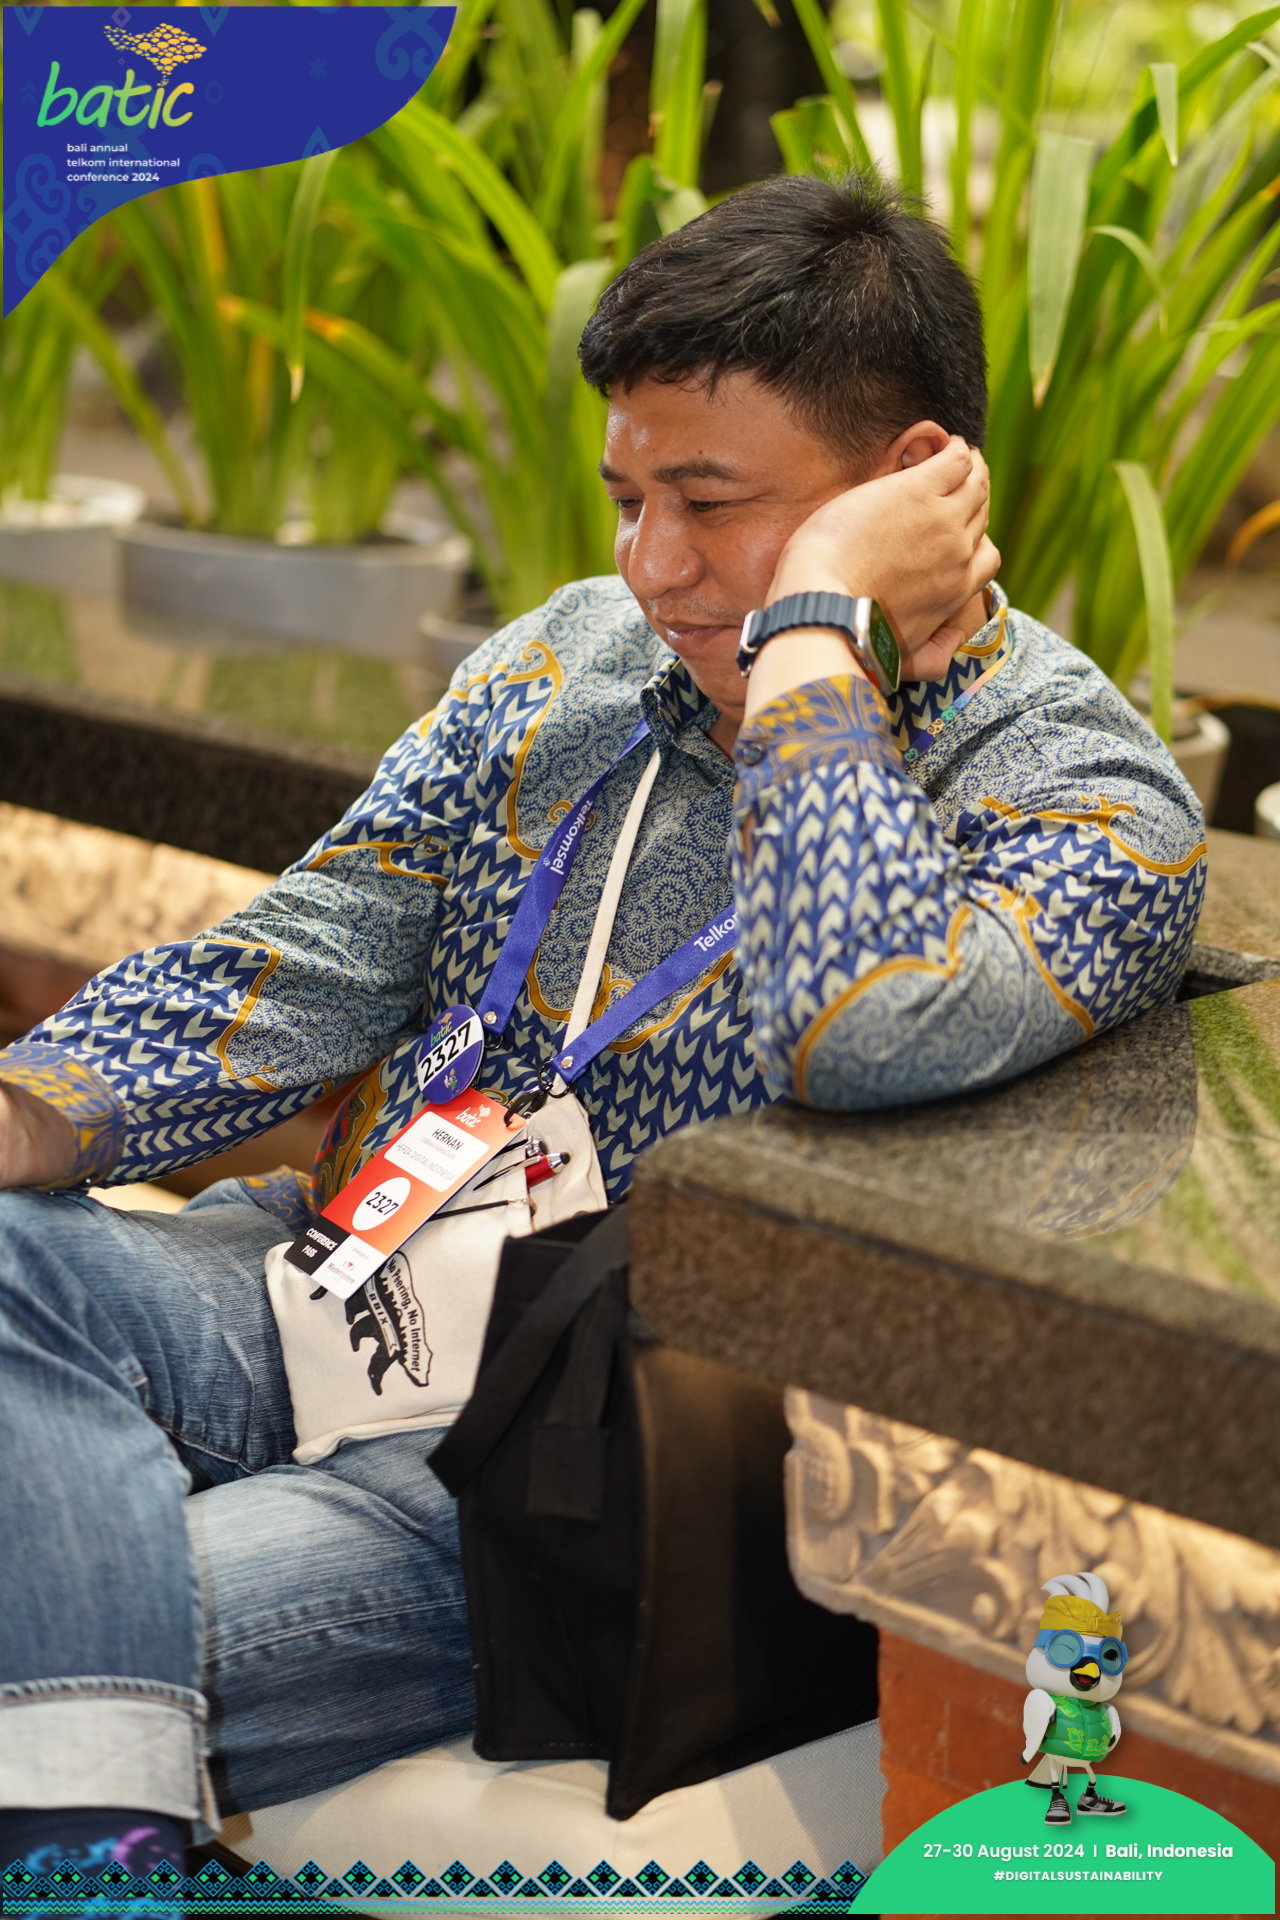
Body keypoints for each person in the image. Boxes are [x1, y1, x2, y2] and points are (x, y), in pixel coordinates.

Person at [0, 172, 1204, 1874]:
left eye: (711, 504)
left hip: (560, 1470)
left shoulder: (1081, 797)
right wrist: (32, 1107)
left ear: (913, 481)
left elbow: (858, 1023)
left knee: (51, 1605)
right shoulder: (565, 660)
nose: (651, 567)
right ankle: (91, 1831)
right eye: (630, 498)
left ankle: (74, 1855)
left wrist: (814, 639)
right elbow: (322, 944)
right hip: (335, 1278)